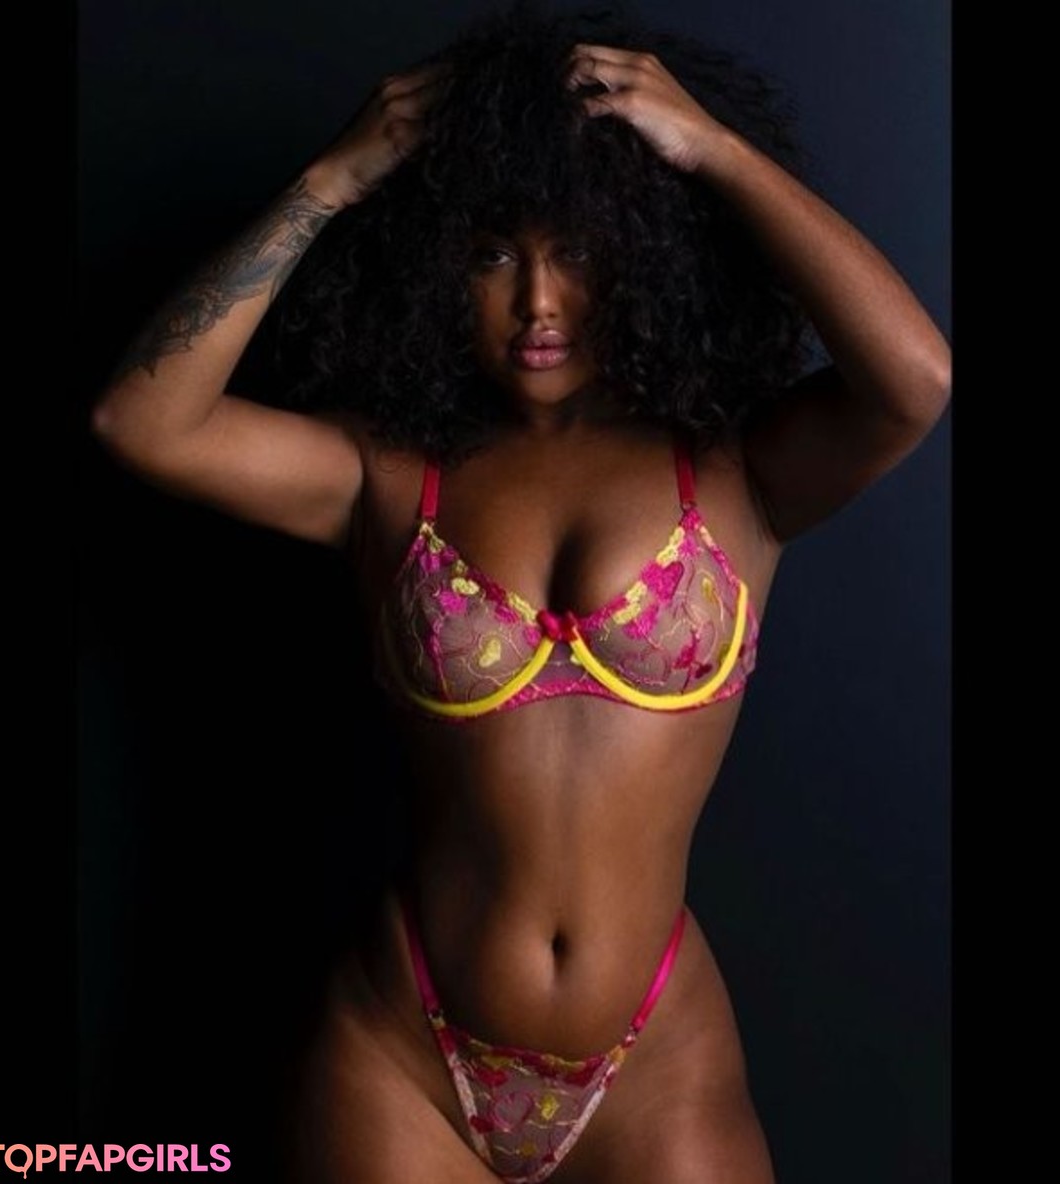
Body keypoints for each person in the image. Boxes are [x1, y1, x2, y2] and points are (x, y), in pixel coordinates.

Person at [89, 2, 950, 1180]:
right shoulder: (386, 475)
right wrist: (330, 183)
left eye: (579, 253)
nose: (539, 302)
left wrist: (713, 149)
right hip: (402, 1053)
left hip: (657, 1063)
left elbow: (915, 379)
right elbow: (140, 421)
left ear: (645, 255)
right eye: (495, 254)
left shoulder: (737, 474)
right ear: (438, 267)